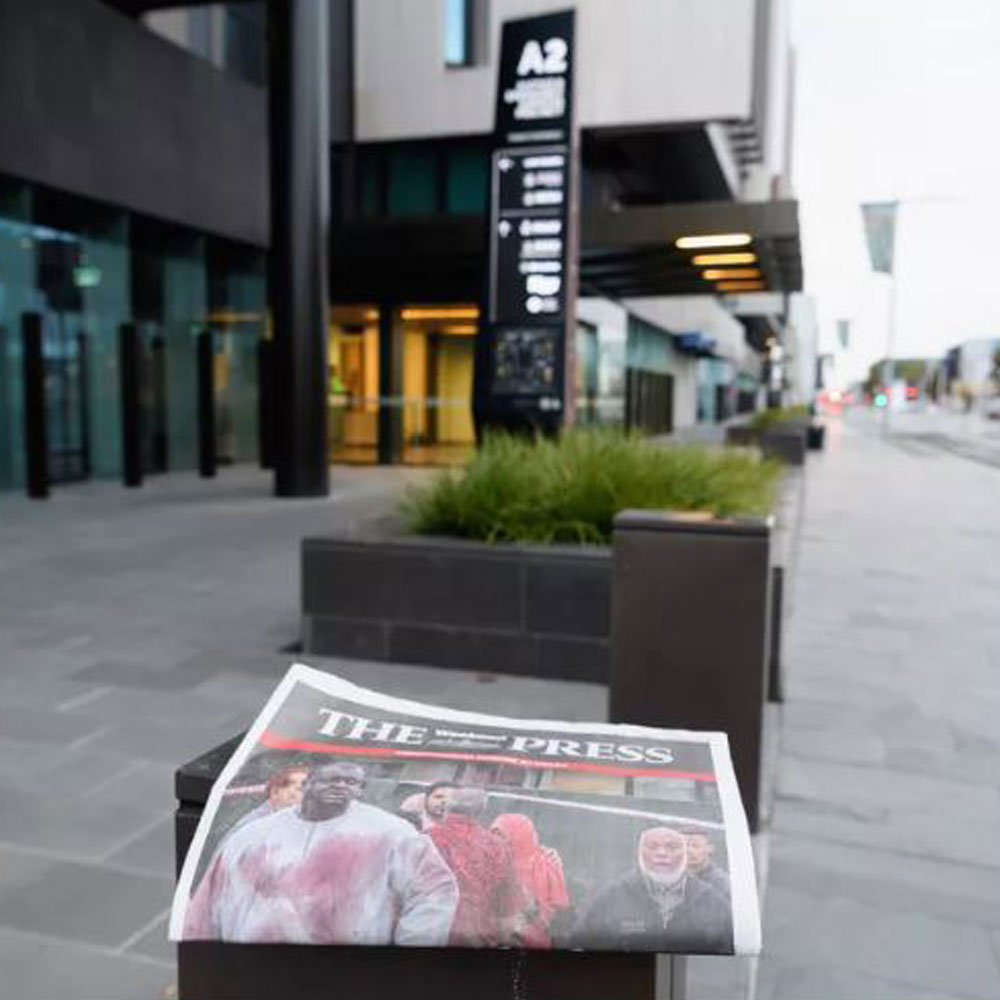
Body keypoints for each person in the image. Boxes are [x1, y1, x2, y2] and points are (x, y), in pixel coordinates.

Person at [183, 761, 458, 945]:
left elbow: (436, 890)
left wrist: (407, 954)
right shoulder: (253, 834)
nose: (341, 786)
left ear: (360, 790)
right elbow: (207, 906)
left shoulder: (391, 831)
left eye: (351, 783)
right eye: (333, 779)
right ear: (307, 784)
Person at [574, 826, 732, 953]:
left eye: (672, 847)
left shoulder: (712, 899)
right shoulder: (610, 897)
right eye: (652, 846)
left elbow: (731, 950)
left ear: (684, 853)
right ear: (639, 852)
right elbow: (579, 942)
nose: (661, 853)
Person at [428, 786, 521, 947]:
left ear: (447, 807)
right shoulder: (498, 846)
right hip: (475, 933)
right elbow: (507, 901)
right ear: (480, 811)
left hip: (429, 926)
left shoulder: (424, 837)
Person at [490, 813, 570, 948]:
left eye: (502, 835)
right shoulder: (490, 863)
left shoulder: (547, 863)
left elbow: (560, 911)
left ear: (520, 838)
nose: (496, 841)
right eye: (493, 834)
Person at [229, 765, 309, 834]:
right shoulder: (254, 825)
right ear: (275, 792)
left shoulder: (299, 821)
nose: (310, 796)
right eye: (301, 790)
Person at [680, 827, 730, 899]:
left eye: (696, 846)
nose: (689, 850)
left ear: (710, 848)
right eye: (683, 846)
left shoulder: (721, 883)